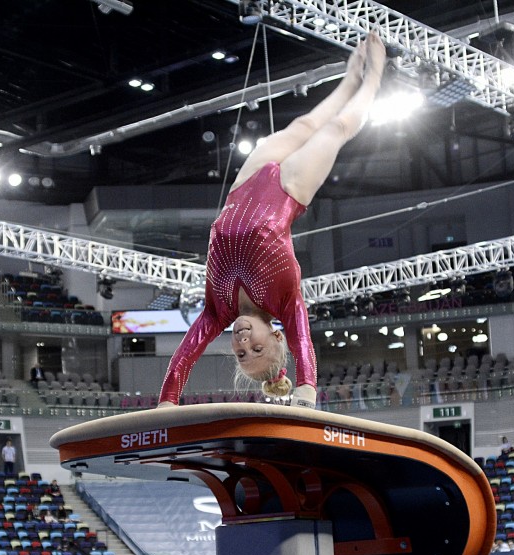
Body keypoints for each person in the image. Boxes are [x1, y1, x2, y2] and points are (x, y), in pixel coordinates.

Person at [157, 34, 387, 409]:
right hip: (288, 191)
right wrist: (306, 389)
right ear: (277, 337)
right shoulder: (286, 301)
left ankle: (349, 78)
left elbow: (183, 357)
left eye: (241, 353)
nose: (243, 342)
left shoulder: (218, 312)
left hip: (242, 186)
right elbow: (305, 344)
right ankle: (371, 77)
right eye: (257, 347)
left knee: (301, 125)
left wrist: (167, 402)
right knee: (332, 129)